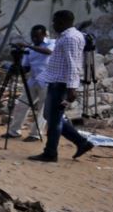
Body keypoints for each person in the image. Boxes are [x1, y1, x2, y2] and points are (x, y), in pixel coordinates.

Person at [29, 10, 94, 162]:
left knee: (55, 120)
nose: (53, 25)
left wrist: (72, 88)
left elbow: (73, 64)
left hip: (62, 84)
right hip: (55, 81)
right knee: (49, 117)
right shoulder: (66, 36)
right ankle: (82, 142)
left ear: (64, 21)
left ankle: (50, 153)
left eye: (56, 22)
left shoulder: (70, 38)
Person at [2, 25, 53, 141]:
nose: (34, 38)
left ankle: (35, 134)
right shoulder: (29, 49)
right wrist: (17, 68)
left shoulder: (51, 43)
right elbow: (27, 67)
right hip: (33, 80)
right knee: (22, 104)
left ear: (44, 34)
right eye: (32, 36)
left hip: (47, 81)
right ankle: (14, 131)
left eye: (37, 36)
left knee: (42, 109)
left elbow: (49, 52)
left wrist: (28, 46)